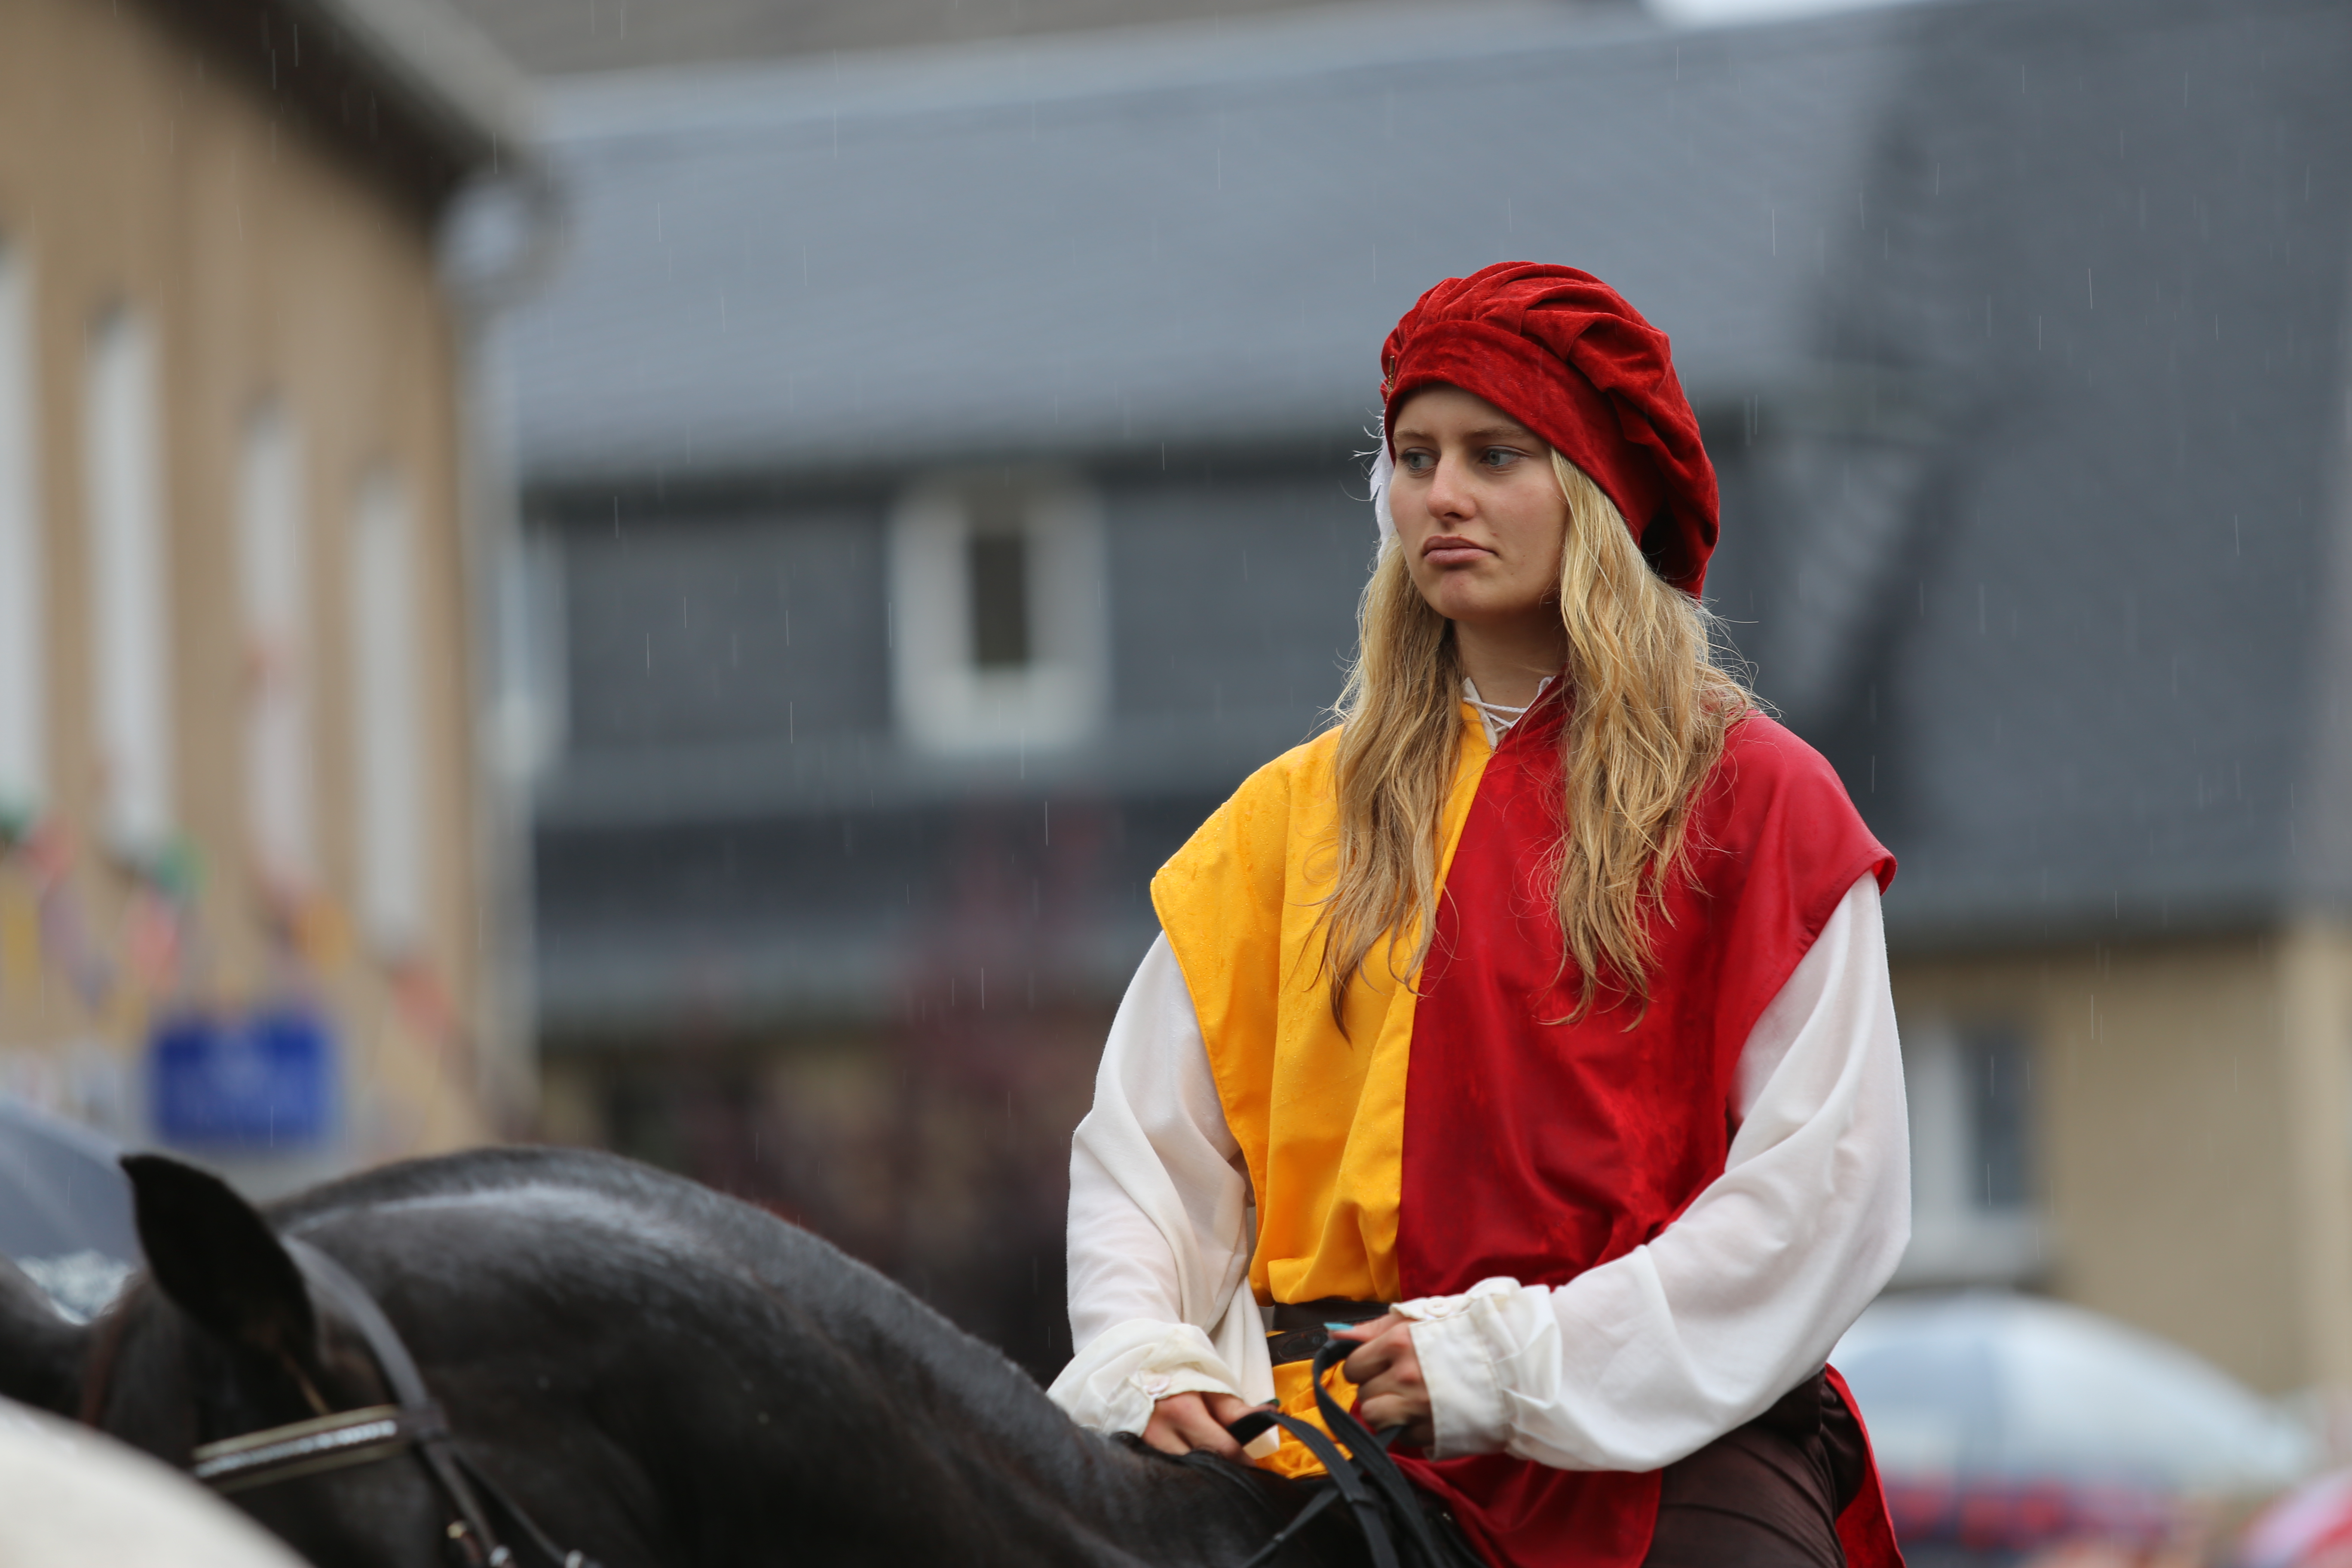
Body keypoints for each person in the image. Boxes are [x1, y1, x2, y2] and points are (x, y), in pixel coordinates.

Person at [1048, 262, 1909, 1568]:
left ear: (1596, 495)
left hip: (1664, 1443)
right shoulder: (1286, 822)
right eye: (1415, 457)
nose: (1441, 495)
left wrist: (1516, 1360)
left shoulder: (1756, 803)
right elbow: (1147, 1160)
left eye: (1495, 455)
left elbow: (1822, 1190)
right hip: (1324, 1441)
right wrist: (1144, 1355)